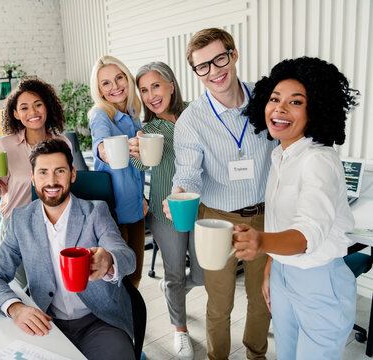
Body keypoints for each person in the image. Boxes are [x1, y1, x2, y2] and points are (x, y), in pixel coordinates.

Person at [162, 28, 276, 360]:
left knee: (261, 298)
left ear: (233, 54)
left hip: (266, 215)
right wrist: (180, 193)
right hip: (217, 220)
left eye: (219, 59)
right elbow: (187, 173)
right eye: (203, 66)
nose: (214, 71)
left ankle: (257, 355)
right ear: (195, 72)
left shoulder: (266, 98)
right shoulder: (192, 120)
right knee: (220, 301)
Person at [234, 57, 359, 359]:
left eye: (295, 102)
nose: (279, 108)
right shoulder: (281, 155)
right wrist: (271, 266)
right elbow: (282, 223)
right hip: (283, 275)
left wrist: (262, 243)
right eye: (275, 99)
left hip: (320, 282)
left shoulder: (318, 159)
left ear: (314, 110)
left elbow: (308, 234)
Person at [0, 139, 136, 360]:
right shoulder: (21, 219)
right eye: (43, 173)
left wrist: (109, 260)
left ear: (72, 174)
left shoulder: (96, 212)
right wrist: (15, 308)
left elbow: (127, 258)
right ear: (33, 178)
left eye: (59, 171)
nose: (52, 181)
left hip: (99, 321)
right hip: (47, 322)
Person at [128, 61, 202, 359]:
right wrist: (135, 152)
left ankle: (175, 292)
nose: (150, 95)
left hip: (200, 207)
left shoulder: (197, 115)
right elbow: (139, 165)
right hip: (164, 209)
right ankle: (180, 330)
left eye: (156, 86)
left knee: (203, 273)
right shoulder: (147, 129)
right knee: (173, 273)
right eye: (144, 90)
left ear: (172, 84)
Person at [0, 77, 70, 287]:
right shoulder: (5, 144)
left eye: (38, 104)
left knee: (53, 286)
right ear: (16, 114)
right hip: (16, 226)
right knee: (24, 288)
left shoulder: (61, 143)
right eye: (24, 107)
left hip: (54, 224)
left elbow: (67, 185)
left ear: (47, 106)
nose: (33, 112)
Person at [89, 55, 145, 288]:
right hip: (113, 211)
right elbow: (100, 145)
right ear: (100, 90)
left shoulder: (133, 115)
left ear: (127, 79)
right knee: (117, 280)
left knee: (135, 274)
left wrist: (143, 196)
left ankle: (135, 322)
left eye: (119, 78)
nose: (115, 86)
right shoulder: (100, 114)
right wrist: (107, 150)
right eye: (106, 83)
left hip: (136, 205)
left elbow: (138, 168)